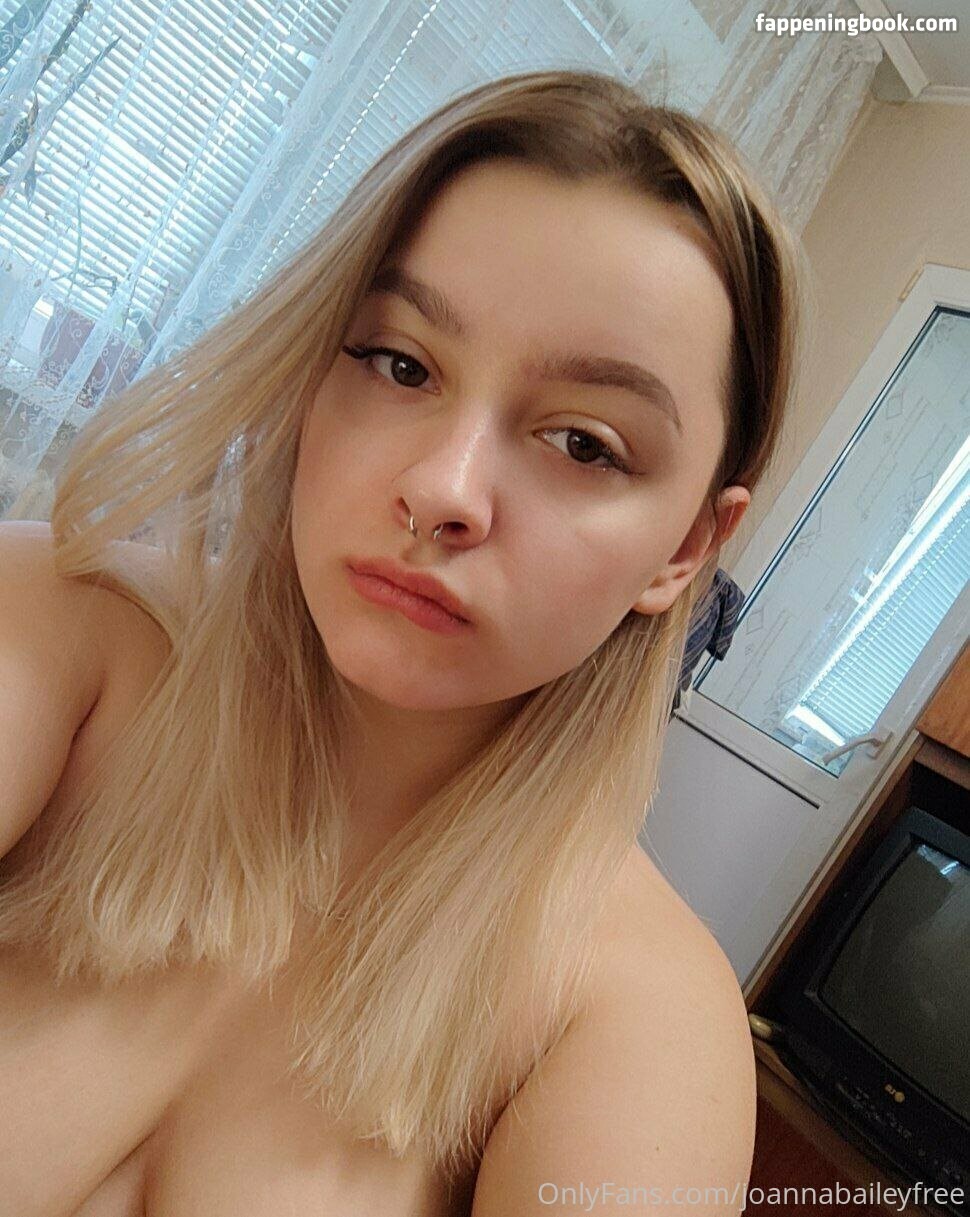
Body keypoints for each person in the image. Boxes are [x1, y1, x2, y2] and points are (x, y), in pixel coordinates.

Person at [0, 67, 805, 1215]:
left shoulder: (641, 1015)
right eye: (401, 363)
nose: (442, 489)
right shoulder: (52, 626)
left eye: (583, 442)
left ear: (684, 547)